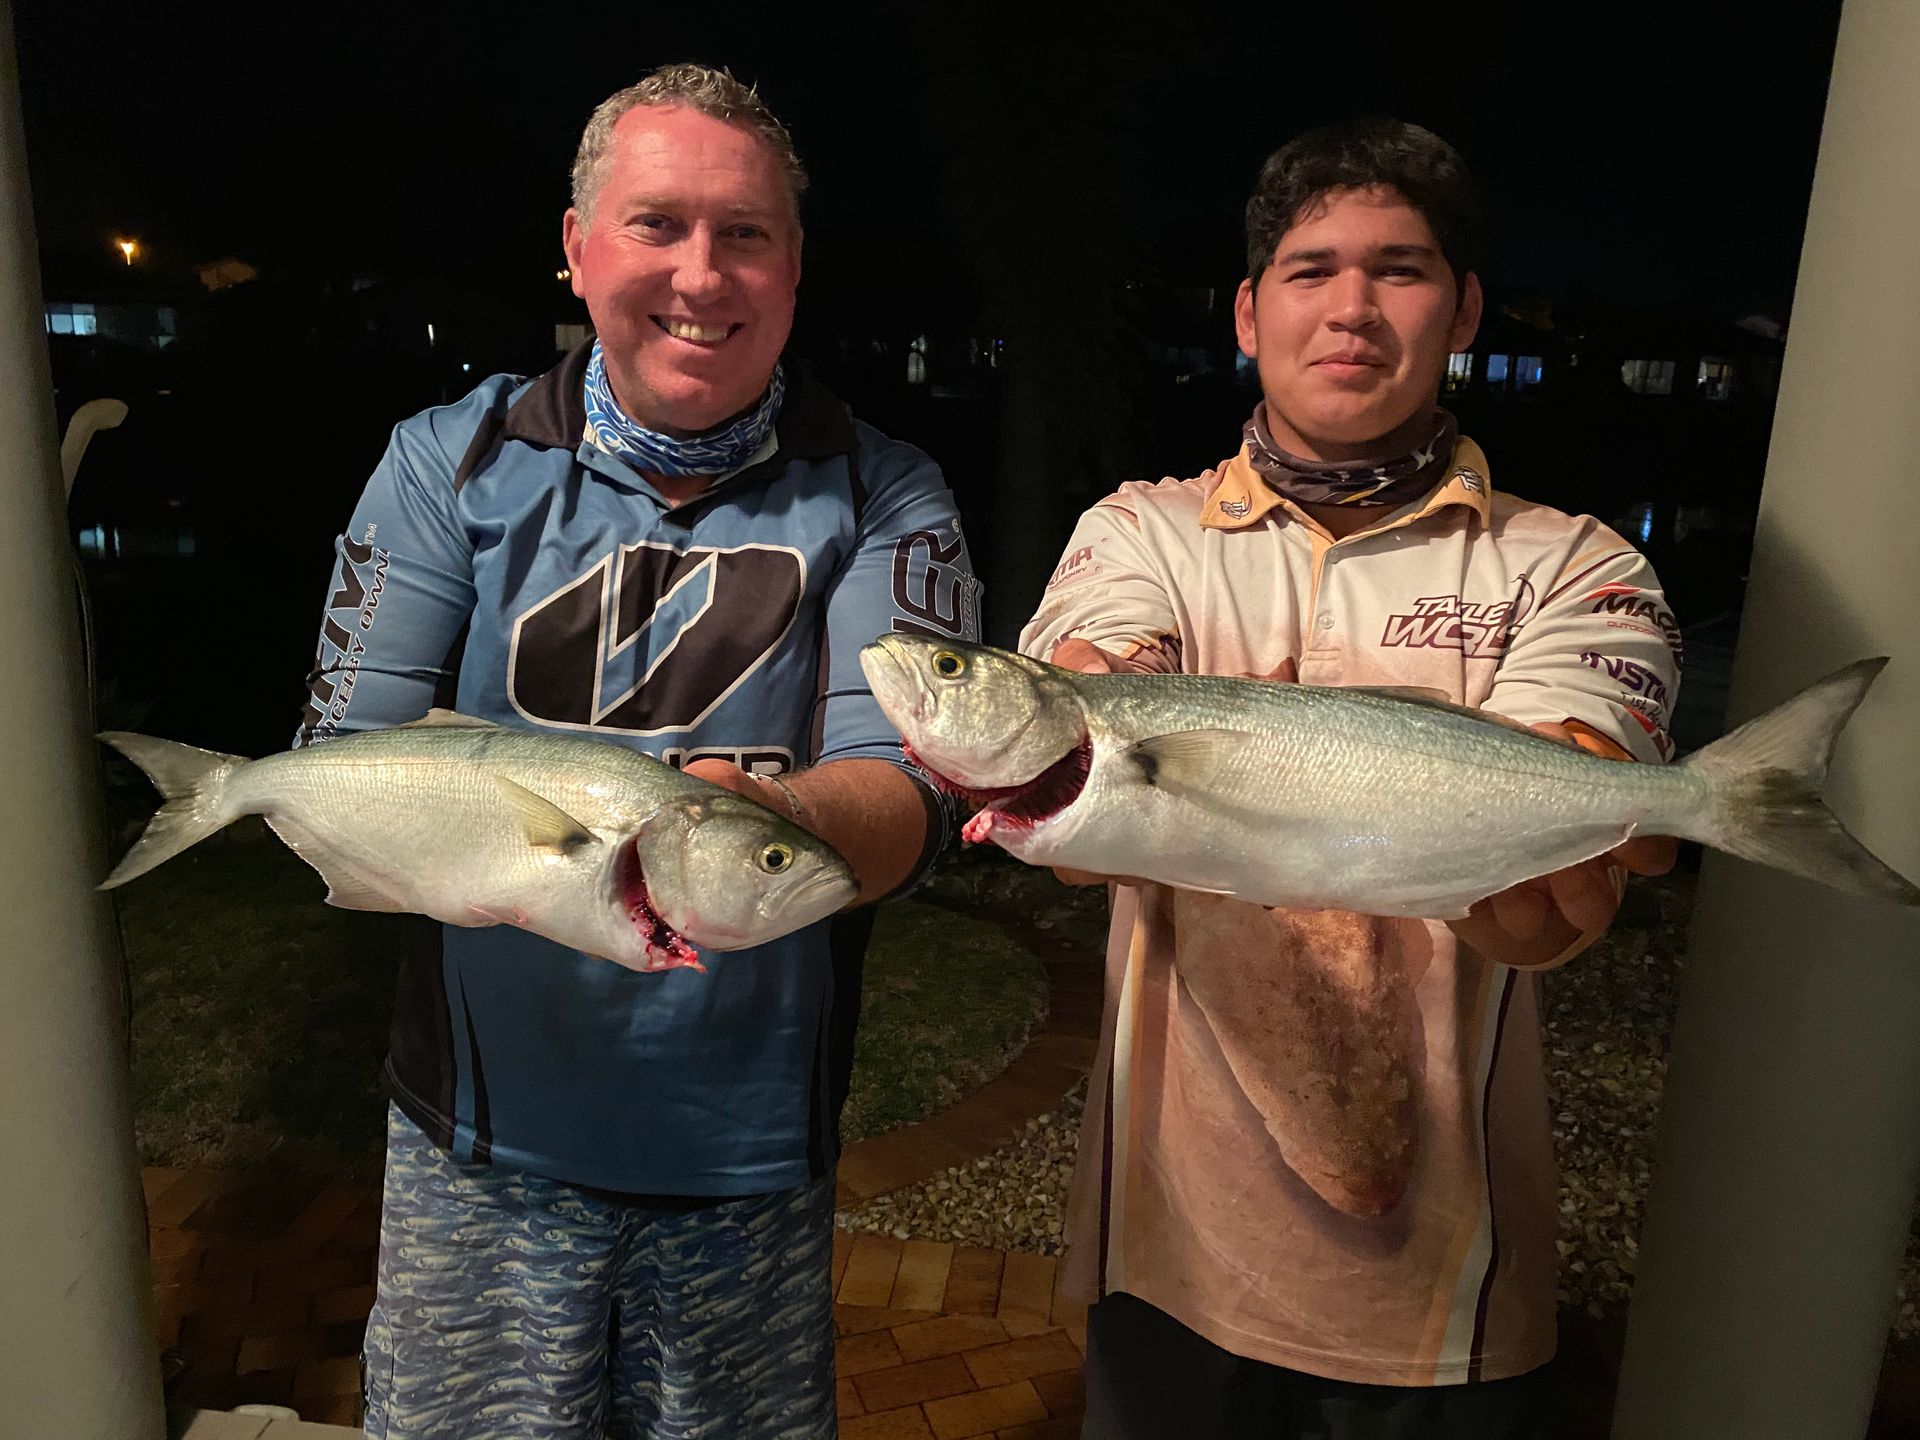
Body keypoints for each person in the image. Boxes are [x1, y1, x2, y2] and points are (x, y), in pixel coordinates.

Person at [296, 63, 979, 1439]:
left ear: (795, 267)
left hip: (744, 1153)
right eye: (658, 224)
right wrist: (534, 855)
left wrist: (752, 827)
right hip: (479, 1145)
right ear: (577, 245)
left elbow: (913, 783)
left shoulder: (886, 490)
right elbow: (340, 761)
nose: (701, 276)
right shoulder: (446, 462)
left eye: (746, 235)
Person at [1021, 119, 1680, 1439]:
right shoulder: (1138, 530)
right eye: (1311, 270)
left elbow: (1552, 902)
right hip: (1168, 1267)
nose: (1353, 308)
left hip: (1450, 1297)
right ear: (1248, 315)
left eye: (1401, 269)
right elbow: (1090, 740)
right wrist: (1065, 757)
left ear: (1465, 310)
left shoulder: (1579, 567)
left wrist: (1553, 880)